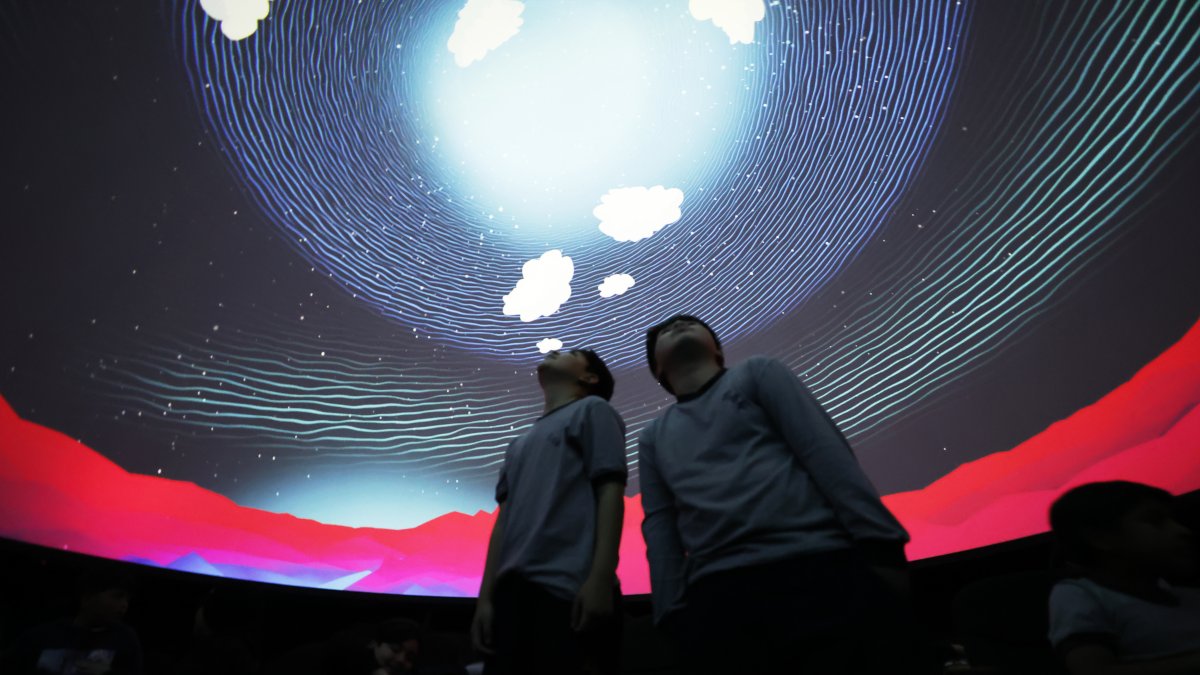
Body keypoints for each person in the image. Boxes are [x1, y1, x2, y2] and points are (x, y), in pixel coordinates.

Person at [638, 314, 923, 674]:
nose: (677, 326)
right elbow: (661, 524)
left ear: (719, 351)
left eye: (691, 323)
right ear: (657, 370)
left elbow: (824, 453)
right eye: (665, 330)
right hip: (718, 595)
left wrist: (882, 545)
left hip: (817, 567)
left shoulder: (757, 373)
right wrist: (669, 611)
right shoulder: (651, 437)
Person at [471, 348, 627, 675]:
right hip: (513, 594)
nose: (555, 350)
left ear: (589, 377)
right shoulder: (519, 443)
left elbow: (610, 489)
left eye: (570, 352)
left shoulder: (593, 410)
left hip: (568, 588)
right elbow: (504, 521)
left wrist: (600, 577)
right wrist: (486, 598)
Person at [1047, 481, 1200, 674]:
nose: (1182, 530)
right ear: (1101, 538)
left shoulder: (1191, 597)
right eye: (1155, 520)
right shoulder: (1078, 594)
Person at [2, 567, 143, 675]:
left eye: (127, 599)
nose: (124, 604)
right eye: (117, 596)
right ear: (87, 598)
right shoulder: (42, 636)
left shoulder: (126, 639)